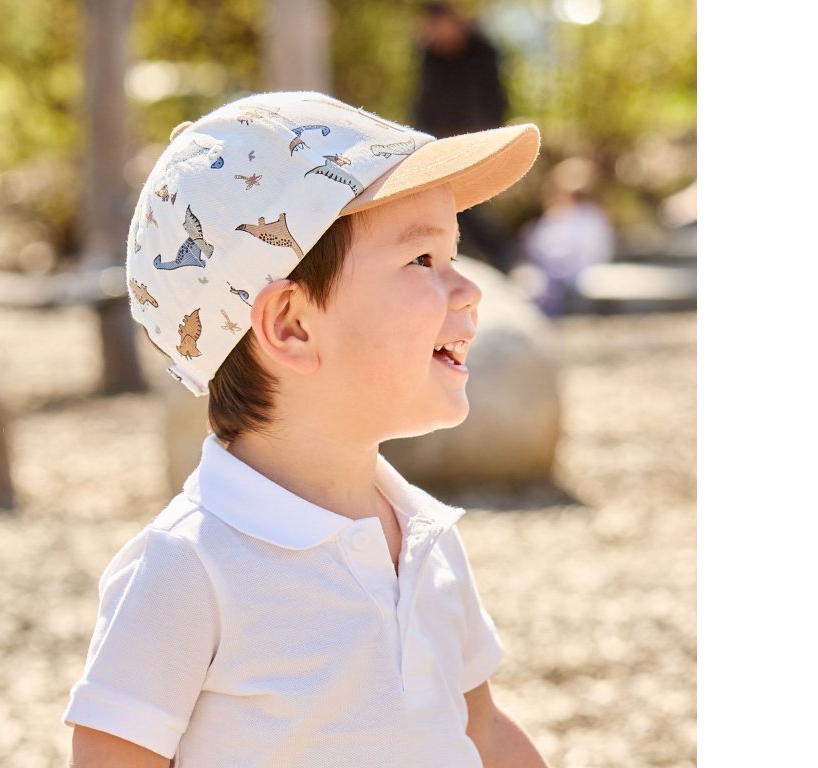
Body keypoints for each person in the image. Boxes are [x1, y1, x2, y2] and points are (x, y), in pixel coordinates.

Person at [63, 90, 550, 768]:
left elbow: (483, 732)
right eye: (422, 260)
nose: (469, 290)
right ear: (291, 325)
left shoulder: (424, 538)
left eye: (454, 255)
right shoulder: (191, 567)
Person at [412, 1, 516, 273]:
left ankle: (502, 257)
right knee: (453, 208)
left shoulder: (482, 51)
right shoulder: (430, 55)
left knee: (468, 207)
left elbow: (493, 100)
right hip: (438, 145)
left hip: (475, 140)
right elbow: (423, 101)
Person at [517, 157, 616, 316]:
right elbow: (538, 247)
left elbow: (592, 251)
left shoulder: (591, 217)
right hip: (548, 273)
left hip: (577, 273)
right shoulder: (555, 215)